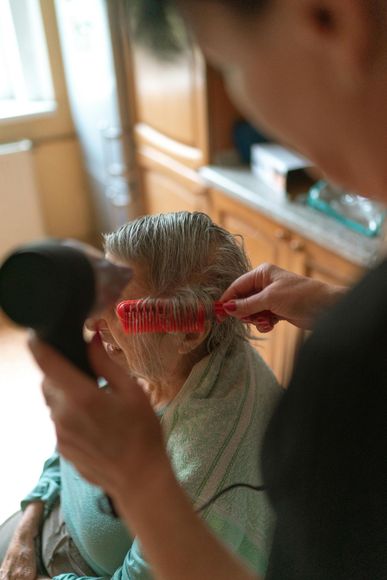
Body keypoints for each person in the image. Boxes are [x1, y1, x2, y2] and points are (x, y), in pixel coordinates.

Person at [14, 0, 387, 578]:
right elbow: (66, 458)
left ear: (328, 18)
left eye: (229, 64)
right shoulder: (138, 361)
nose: (94, 324)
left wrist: (140, 481)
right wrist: (32, 516)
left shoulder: (335, 386)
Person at [0, 212, 283, 579]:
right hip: (45, 518)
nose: (91, 324)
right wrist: (30, 519)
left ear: (188, 332)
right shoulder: (148, 358)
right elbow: (69, 448)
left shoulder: (206, 481)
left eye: (118, 307)